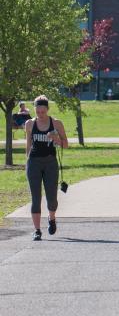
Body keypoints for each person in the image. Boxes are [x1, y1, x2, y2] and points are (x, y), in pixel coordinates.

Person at [24, 95, 68, 241]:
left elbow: (65, 144)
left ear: (47, 109)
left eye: (43, 112)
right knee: (35, 198)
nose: (40, 115)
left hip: (50, 163)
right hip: (34, 163)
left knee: (52, 198)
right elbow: (28, 144)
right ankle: (37, 230)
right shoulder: (30, 124)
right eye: (38, 112)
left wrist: (56, 138)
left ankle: (52, 218)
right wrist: (27, 161)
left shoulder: (56, 123)